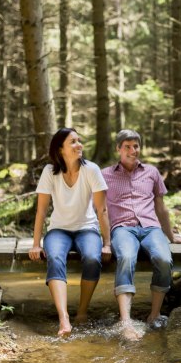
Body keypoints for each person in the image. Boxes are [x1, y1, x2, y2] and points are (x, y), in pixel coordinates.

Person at [102, 129, 181, 340]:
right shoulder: (105, 175)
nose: (133, 151)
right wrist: (104, 241)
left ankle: (154, 314)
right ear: (118, 149)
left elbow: (161, 208)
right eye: (127, 147)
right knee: (127, 257)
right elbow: (100, 210)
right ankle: (126, 322)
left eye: (136, 146)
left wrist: (171, 236)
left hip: (150, 227)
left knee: (163, 258)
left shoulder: (151, 172)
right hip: (122, 227)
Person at [28, 128, 111, 336]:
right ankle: (64, 318)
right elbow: (41, 210)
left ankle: (82, 311)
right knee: (55, 257)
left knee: (93, 258)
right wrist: (36, 244)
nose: (79, 145)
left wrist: (107, 243)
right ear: (60, 149)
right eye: (73, 142)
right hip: (58, 230)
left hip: (87, 229)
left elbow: (102, 210)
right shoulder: (49, 172)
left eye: (79, 141)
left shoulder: (92, 170)